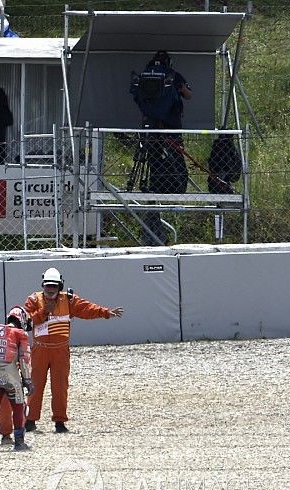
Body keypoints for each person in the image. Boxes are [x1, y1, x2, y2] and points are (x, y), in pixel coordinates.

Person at [23, 268, 123, 433]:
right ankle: (30, 420)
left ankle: (60, 422)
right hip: (40, 350)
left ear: (60, 285)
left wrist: (105, 313)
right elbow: (27, 323)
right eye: (47, 286)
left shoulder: (68, 300)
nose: (50, 289)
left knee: (60, 387)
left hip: (61, 351)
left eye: (54, 286)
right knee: (35, 386)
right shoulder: (34, 300)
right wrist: (44, 311)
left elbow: (86, 309)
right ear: (43, 285)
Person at [131, 50, 192, 244]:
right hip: (171, 126)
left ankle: (156, 183)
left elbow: (136, 95)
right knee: (175, 154)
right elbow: (188, 95)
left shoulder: (144, 75)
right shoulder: (173, 75)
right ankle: (178, 184)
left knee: (153, 157)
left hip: (150, 128)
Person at [0, 306, 33, 452]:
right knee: (18, 407)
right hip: (10, 375)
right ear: (21, 320)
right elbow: (24, 359)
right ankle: (19, 442)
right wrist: (27, 380)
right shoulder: (20, 333)